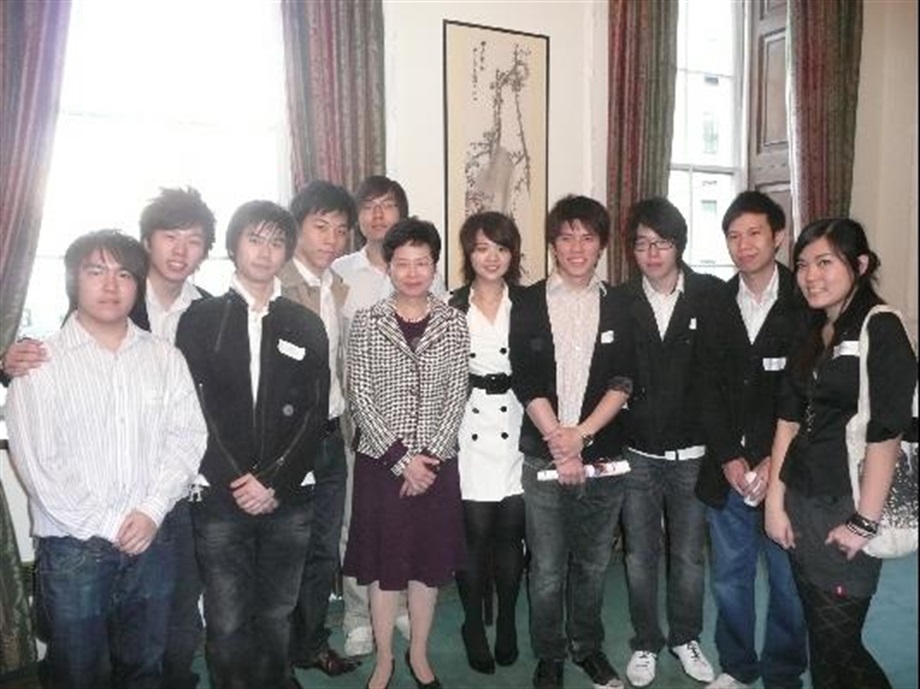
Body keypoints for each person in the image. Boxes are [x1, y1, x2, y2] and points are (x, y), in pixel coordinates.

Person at [1, 187, 217, 689]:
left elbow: (187, 435)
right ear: (73, 281)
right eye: (95, 272)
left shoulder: (166, 357)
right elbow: (39, 464)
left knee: (144, 665)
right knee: (77, 672)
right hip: (75, 548)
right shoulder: (40, 363)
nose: (110, 284)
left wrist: (150, 510)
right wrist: (110, 524)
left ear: (138, 284)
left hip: (154, 537)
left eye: (123, 274)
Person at [175, 200, 330, 689]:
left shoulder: (305, 324)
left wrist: (274, 482)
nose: (266, 252)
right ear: (234, 246)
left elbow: (314, 411)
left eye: (277, 241)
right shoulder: (200, 320)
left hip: (290, 496)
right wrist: (237, 479)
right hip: (221, 497)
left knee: (276, 614)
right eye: (254, 239)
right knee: (225, 620)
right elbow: (193, 410)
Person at [765, 218, 915, 689]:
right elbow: (788, 420)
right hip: (802, 503)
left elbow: (886, 433)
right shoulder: (812, 330)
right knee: (823, 643)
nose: (811, 275)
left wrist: (865, 521)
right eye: (804, 264)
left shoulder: (881, 326)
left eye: (825, 262)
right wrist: (774, 502)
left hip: (847, 506)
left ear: (860, 264)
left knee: (839, 645)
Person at [509, 195, 634, 689]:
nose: (577, 247)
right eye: (566, 237)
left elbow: (624, 380)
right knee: (545, 567)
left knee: (593, 562)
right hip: (543, 453)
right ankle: (550, 653)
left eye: (587, 236)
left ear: (602, 244)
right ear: (553, 244)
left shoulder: (621, 303)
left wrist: (579, 436)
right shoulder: (527, 300)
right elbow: (525, 378)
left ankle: (587, 646)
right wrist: (558, 441)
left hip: (604, 455)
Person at [343, 218, 469, 689]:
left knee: (426, 568)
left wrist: (428, 459)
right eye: (403, 263)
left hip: (437, 466)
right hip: (382, 465)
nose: (413, 272)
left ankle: (418, 655)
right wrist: (402, 460)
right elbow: (361, 398)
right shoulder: (368, 322)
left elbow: (458, 393)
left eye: (423, 262)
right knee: (385, 569)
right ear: (389, 267)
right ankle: (383, 660)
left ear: (434, 266)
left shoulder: (453, 322)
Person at [696, 191, 808, 689]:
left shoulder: (805, 303)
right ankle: (738, 668)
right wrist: (729, 458)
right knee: (729, 578)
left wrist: (769, 464)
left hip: (786, 471)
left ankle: (783, 671)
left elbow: (806, 396)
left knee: (787, 581)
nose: (743, 245)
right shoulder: (717, 301)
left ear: (778, 236)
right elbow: (706, 387)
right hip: (729, 471)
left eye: (754, 233)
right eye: (733, 235)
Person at [613, 197, 721, 687]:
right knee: (639, 554)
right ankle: (645, 641)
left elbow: (723, 375)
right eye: (642, 244)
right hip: (637, 452)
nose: (652, 253)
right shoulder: (619, 300)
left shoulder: (709, 295)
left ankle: (685, 636)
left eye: (662, 243)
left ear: (679, 245)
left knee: (689, 555)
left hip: (693, 455)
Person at [331, 175, 418, 656]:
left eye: (388, 207)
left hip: (410, 423)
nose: (379, 216)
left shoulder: (419, 266)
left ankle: (402, 605)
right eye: (370, 207)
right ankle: (357, 614)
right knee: (355, 521)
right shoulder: (341, 273)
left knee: (404, 518)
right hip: (356, 420)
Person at [281, 181, 360, 678]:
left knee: (322, 550)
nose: (331, 238)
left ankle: (310, 643)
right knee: (284, 554)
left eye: (339, 229)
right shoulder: (277, 284)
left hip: (333, 436)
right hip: (290, 445)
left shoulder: (337, 286)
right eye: (320, 226)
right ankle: (279, 657)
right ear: (297, 227)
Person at [449, 212, 526, 675]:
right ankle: (473, 624)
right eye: (481, 248)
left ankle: (509, 622)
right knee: (474, 535)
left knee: (511, 534)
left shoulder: (530, 303)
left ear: (512, 253)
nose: (491, 257)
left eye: (499, 247)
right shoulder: (451, 305)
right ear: (469, 254)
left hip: (519, 423)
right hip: (468, 428)